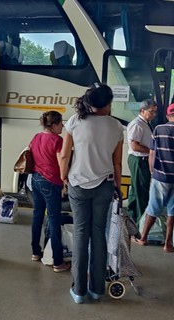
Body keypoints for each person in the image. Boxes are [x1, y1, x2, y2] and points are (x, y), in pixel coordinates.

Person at [59, 83, 123, 303]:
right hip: (104, 185)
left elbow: (65, 155)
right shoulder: (116, 126)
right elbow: (117, 162)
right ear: (108, 104)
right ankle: (97, 289)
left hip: (78, 184)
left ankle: (79, 291)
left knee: (80, 234)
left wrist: (63, 176)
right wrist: (117, 186)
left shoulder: (75, 122)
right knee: (98, 235)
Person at [134, 102, 174, 252]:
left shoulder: (159, 129)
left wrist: (152, 171)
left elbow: (152, 153)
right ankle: (168, 244)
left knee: (153, 208)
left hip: (160, 177)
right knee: (173, 212)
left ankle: (143, 238)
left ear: (167, 116)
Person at [29, 110, 69, 272]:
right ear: (53, 125)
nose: (63, 126)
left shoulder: (36, 137)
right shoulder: (57, 140)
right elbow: (61, 162)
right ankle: (58, 262)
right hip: (51, 182)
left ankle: (35, 252)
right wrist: (65, 180)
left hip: (35, 180)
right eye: (60, 123)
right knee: (54, 219)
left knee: (37, 215)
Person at [126, 99, 157, 222]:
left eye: (155, 112)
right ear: (142, 110)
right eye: (151, 112)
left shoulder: (146, 123)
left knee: (135, 190)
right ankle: (141, 220)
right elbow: (135, 145)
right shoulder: (137, 124)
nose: (153, 115)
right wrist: (152, 151)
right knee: (141, 192)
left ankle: (132, 217)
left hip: (142, 159)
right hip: (139, 160)